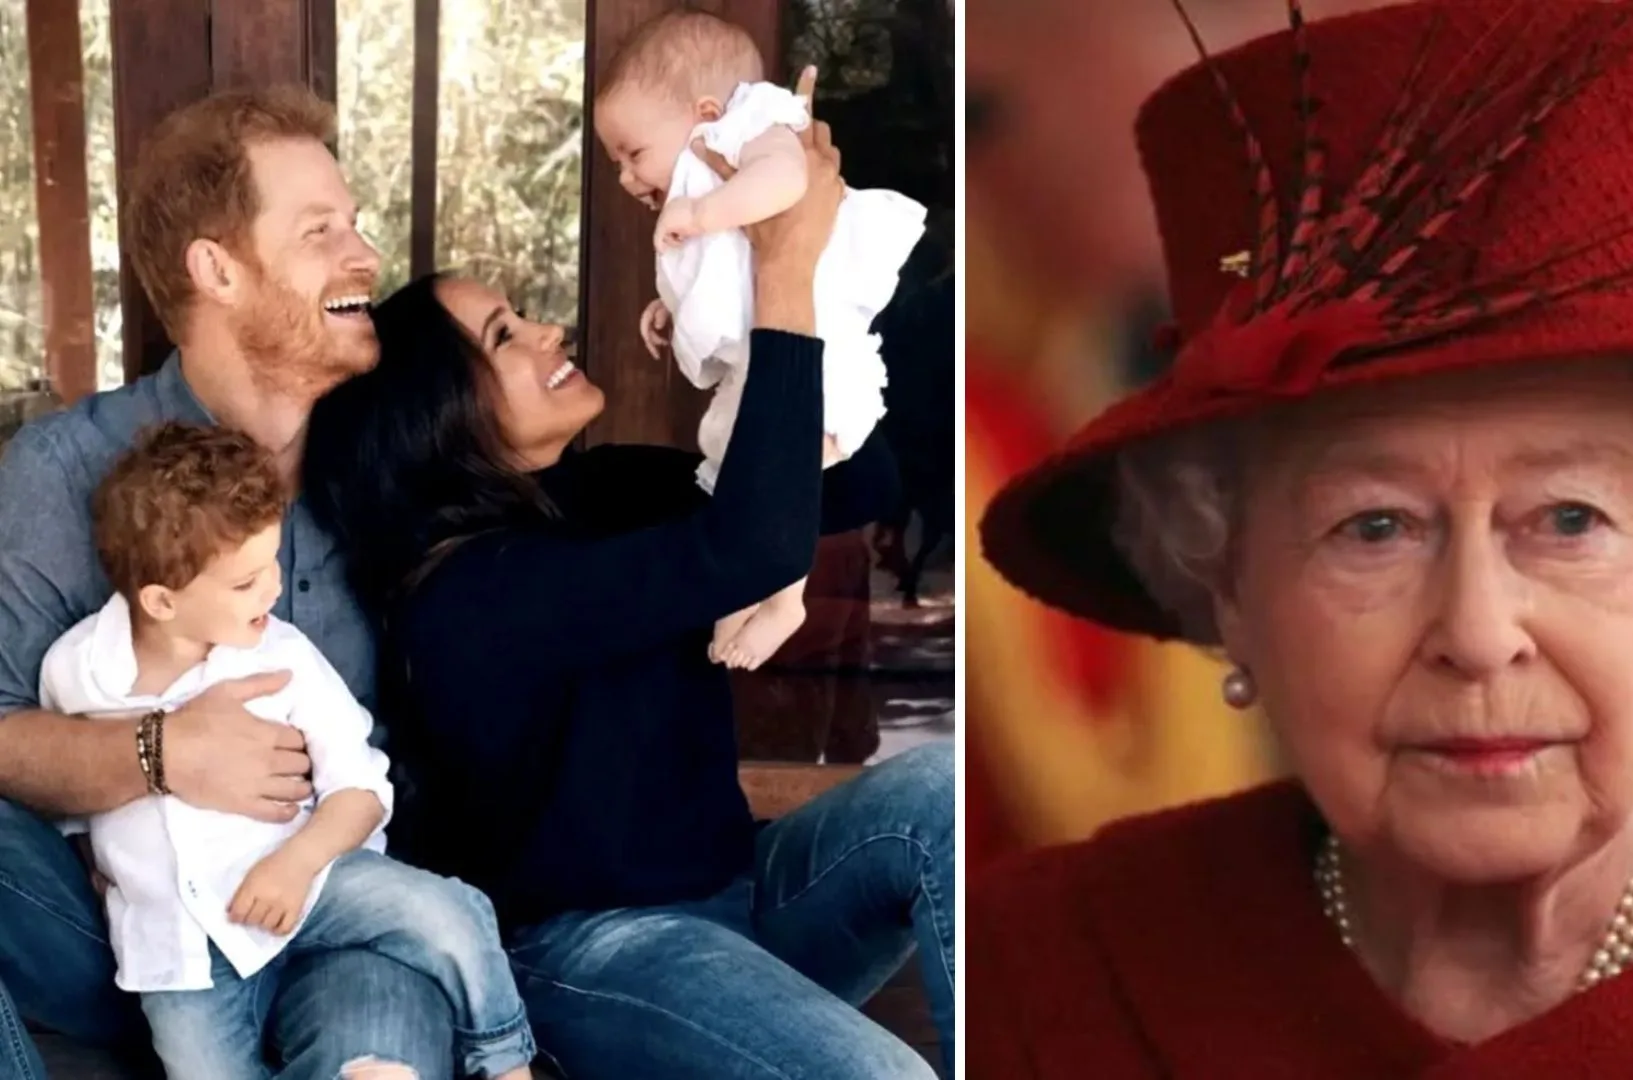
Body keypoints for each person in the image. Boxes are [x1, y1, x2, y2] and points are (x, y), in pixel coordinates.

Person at [969, 0, 1633, 1076]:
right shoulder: (1037, 969)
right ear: (1228, 590)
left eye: (1570, 520)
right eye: (1374, 527)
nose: (1476, 634)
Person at [302, 101, 954, 1080]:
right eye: (505, 334)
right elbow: (748, 551)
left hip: (744, 898)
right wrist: (779, 267)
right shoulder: (467, 596)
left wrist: (754, 329)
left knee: (949, 795)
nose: (548, 330)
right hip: (599, 954)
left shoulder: (596, 490)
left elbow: (859, 484)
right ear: (436, 417)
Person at [0, 86, 460, 1080]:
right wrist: (160, 753)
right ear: (218, 269)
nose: (366, 257)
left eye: (357, 224)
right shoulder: (62, 470)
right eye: (320, 231)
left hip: (341, 916)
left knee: (381, 1057)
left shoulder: (381, 463)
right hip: (133, 942)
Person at [39, 423, 536, 1080]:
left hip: (312, 880)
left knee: (449, 913)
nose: (273, 590)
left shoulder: (282, 655)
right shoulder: (76, 671)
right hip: (181, 949)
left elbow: (361, 788)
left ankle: (504, 1061)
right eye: (246, 582)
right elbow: (69, 794)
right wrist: (96, 864)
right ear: (161, 600)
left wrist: (296, 866)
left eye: (272, 562)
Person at [593, 12, 926, 670]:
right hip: (769, 349)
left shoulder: (754, 128)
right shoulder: (707, 177)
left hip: (820, 346)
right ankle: (751, 587)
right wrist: (670, 305)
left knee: (783, 466)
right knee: (737, 461)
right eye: (616, 165)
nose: (629, 178)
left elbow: (787, 183)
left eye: (634, 154)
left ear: (707, 112)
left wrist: (702, 212)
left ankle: (784, 598)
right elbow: (731, 272)